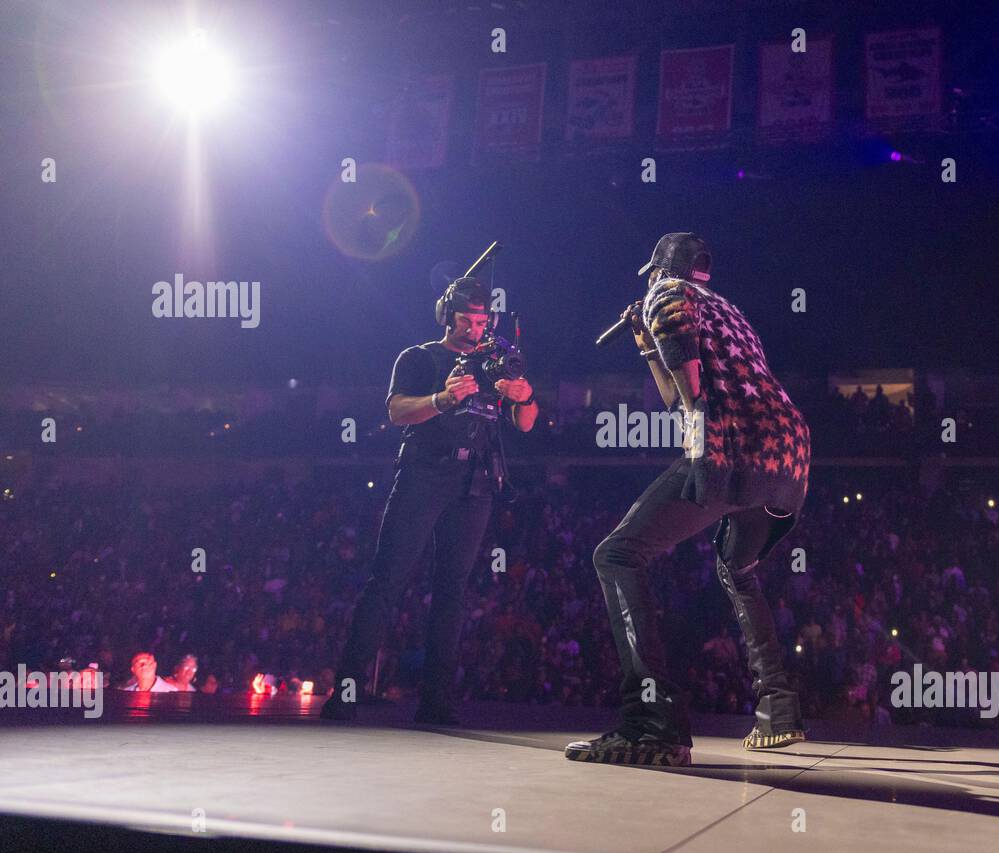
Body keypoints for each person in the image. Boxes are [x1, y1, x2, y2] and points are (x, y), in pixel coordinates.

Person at [565, 233, 811, 767]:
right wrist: (647, 345)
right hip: (789, 458)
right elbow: (685, 382)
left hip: (736, 447)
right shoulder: (729, 310)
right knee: (738, 569)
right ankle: (779, 707)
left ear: (657, 271)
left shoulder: (666, 296)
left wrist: (703, 455)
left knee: (617, 555)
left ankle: (652, 722)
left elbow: (688, 398)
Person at [321, 275, 537, 724]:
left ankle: (436, 701)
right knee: (388, 580)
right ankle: (346, 690)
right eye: (465, 320)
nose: (473, 329)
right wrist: (442, 398)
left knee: (452, 591)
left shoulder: (495, 360)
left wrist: (524, 394)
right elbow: (397, 412)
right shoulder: (420, 357)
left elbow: (527, 423)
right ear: (446, 317)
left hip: (474, 479)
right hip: (424, 472)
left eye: (480, 321)